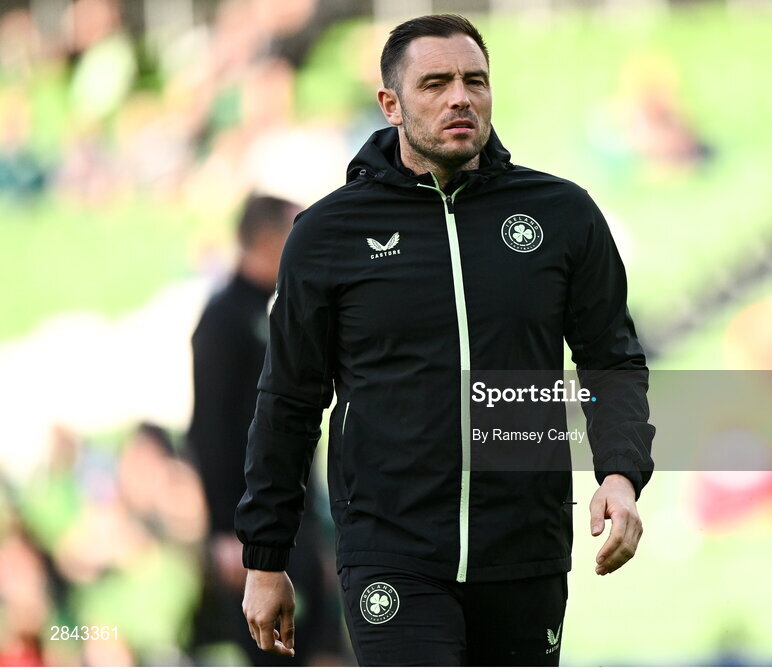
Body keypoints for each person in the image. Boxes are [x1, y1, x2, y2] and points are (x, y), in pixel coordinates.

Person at [236, 15, 655, 666]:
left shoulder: (561, 214)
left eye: (474, 81)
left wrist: (620, 475)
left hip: (525, 546)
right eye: (435, 83)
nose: (460, 97)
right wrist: (266, 559)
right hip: (390, 547)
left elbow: (611, 360)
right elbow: (289, 398)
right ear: (390, 104)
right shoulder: (327, 234)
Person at [187, 194, 344, 665]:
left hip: (298, 521)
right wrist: (223, 530)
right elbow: (209, 431)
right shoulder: (223, 319)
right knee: (277, 650)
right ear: (271, 239)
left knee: (323, 646)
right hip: (250, 526)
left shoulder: (283, 311)